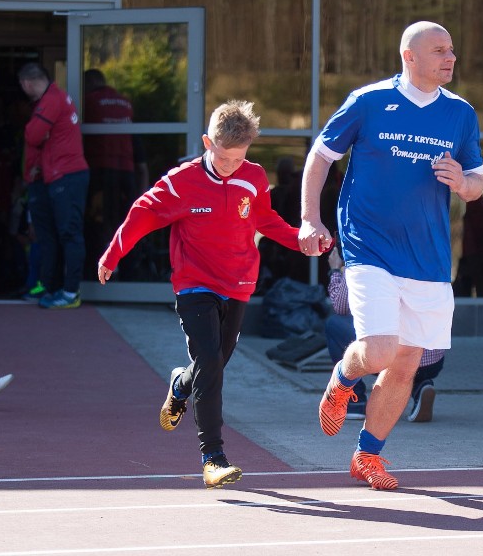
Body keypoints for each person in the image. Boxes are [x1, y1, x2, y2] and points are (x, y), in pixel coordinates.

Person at [299, 21, 483, 491]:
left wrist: (462, 182)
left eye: (452, 49)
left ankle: (367, 456)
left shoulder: (460, 113)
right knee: (380, 351)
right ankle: (343, 378)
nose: (450, 57)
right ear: (409, 56)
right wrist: (309, 218)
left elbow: (477, 185)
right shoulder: (368, 101)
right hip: (368, 245)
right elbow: (321, 156)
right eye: (439, 50)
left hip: (428, 258)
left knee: (406, 364)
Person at [97, 100, 300, 488]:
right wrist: (113, 253)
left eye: (238, 159)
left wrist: (299, 240)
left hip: (239, 281)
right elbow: (142, 212)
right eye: (223, 158)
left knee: (216, 361)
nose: (230, 166)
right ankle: (213, 458)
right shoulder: (182, 181)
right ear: (208, 142)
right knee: (209, 359)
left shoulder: (254, 177)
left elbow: (264, 219)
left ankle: (180, 385)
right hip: (194, 282)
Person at [325, 244, 445, 422]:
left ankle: (354, 401)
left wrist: (335, 270)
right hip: (432, 359)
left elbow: (341, 306)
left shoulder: (365, 252)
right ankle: (420, 386)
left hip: (386, 354)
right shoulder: (426, 251)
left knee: (335, 324)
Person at [19, 62, 90, 309]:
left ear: (26, 83)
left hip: (65, 176)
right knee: (55, 235)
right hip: (56, 175)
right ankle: (53, 288)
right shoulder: (54, 98)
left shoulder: (51, 100)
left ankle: (70, 292)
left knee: (68, 234)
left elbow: (32, 135)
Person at [82, 69, 140, 279]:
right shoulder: (125, 102)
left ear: (88, 83)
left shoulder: (88, 101)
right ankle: (130, 275)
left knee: (96, 223)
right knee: (127, 223)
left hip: (100, 171)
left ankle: (95, 274)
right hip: (125, 172)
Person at [452, 195, 483, 297]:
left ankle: (480, 307)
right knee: (471, 283)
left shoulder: (476, 203)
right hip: (475, 251)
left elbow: (477, 229)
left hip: (476, 252)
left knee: (476, 283)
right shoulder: (479, 203)